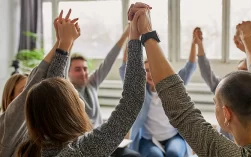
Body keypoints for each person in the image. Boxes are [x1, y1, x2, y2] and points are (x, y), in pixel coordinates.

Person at [128, 3, 251, 156]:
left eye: (215, 103)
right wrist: (248, 39)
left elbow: (183, 112)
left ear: (226, 114)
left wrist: (147, 33)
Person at [16, 7, 146, 157]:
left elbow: (53, 87)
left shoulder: (39, 147)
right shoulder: (81, 150)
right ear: (66, 109)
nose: (78, 97)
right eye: (73, 94)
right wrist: (136, 37)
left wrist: (64, 44)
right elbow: (132, 100)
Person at [0, 9, 79, 156]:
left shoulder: (36, 129)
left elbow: (58, 87)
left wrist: (64, 42)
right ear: (10, 99)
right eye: (24, 91)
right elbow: (50, 86)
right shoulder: (6, 126)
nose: (34, 94)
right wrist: (64, 44)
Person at [119, 25, 196, 157]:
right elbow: (125, 67)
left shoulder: (171, 87)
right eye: (146, 70)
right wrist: (130, 35)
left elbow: (189, 68)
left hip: (172, 136)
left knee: (174, 153)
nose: (149, 74)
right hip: (148, 139)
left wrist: (195, 43)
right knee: (155, 156)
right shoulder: (139, 90)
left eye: (152, 69)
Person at [68, 24, 140, 157]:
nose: (83, 73)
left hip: (103, 138)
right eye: (78, 69)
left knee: (133, 155)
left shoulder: (91, 83)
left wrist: (126, 34)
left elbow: (109, 61)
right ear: (68, 72)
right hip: (86, 145)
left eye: (85, 68)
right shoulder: (67, 92)